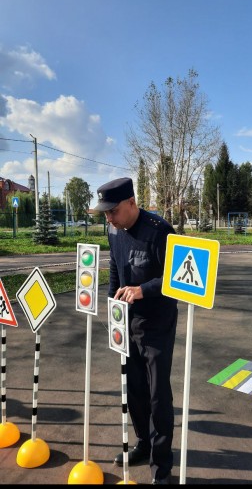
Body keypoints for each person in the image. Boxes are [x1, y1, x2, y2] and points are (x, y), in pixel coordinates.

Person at [94, 177, 178, 485]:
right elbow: (115, 269)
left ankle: (162, 467)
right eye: (105, 213)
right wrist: (112, 303)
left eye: (113, 211)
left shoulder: (160, 232)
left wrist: (143, 290)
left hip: (157, 324)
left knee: (158, 397)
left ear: (132, 202)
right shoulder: (114, 230)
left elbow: (176, 280)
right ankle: (143, 443)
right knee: (135, 390)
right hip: (126, 323)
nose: (109, 218)